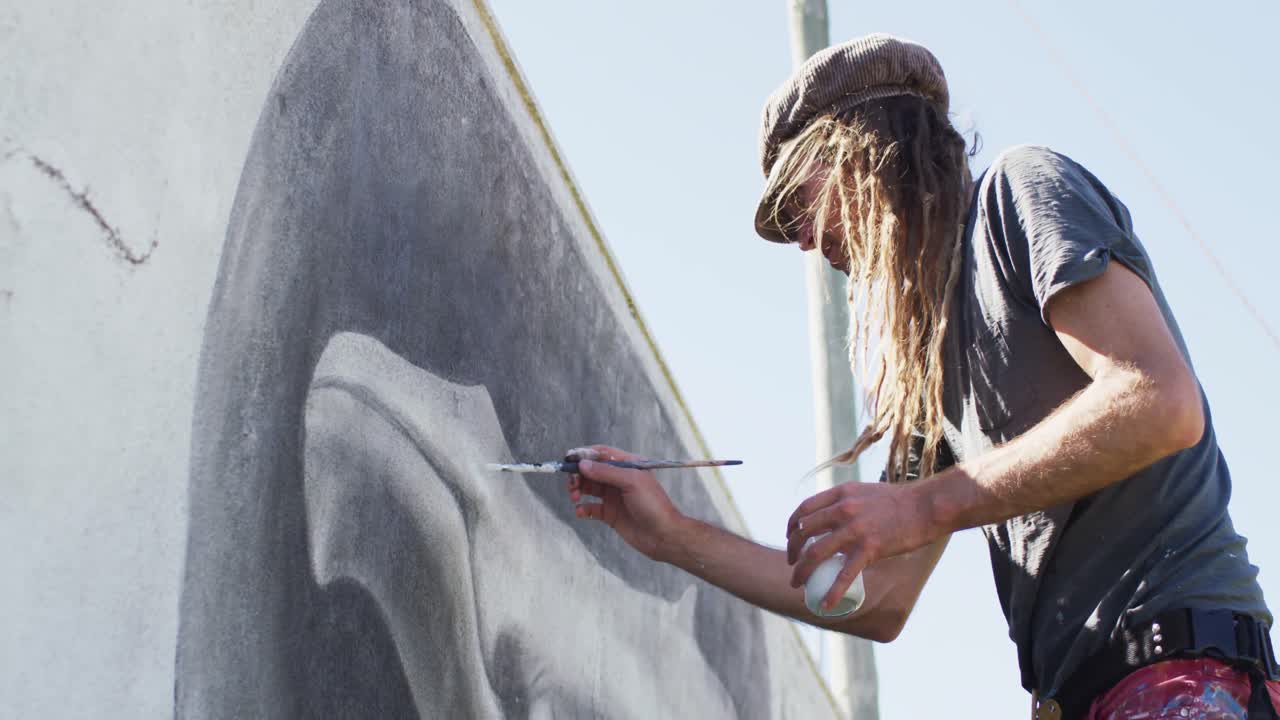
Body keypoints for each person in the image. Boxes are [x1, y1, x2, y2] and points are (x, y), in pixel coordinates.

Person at [563, 34, 1279, 720]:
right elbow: (881, 599)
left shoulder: (1020, 192)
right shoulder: (927, 356)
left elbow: (1159, 400)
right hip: (1086, 695)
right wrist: (669, 536)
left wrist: (921, 506)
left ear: (861, 148)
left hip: (1179, 671)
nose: (804, 240)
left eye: (796, 204)